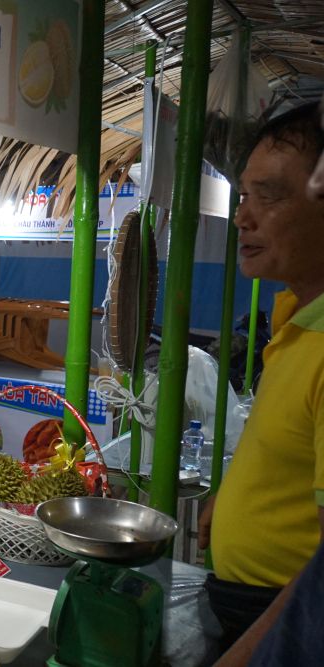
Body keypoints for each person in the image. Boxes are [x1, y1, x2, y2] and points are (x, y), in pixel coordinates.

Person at [197, 101, 324, 658]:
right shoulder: (294, 316)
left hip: (282, 623)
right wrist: (229, 496)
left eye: (268, 196)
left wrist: (247, 654)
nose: (242, 218)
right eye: (243, 195)